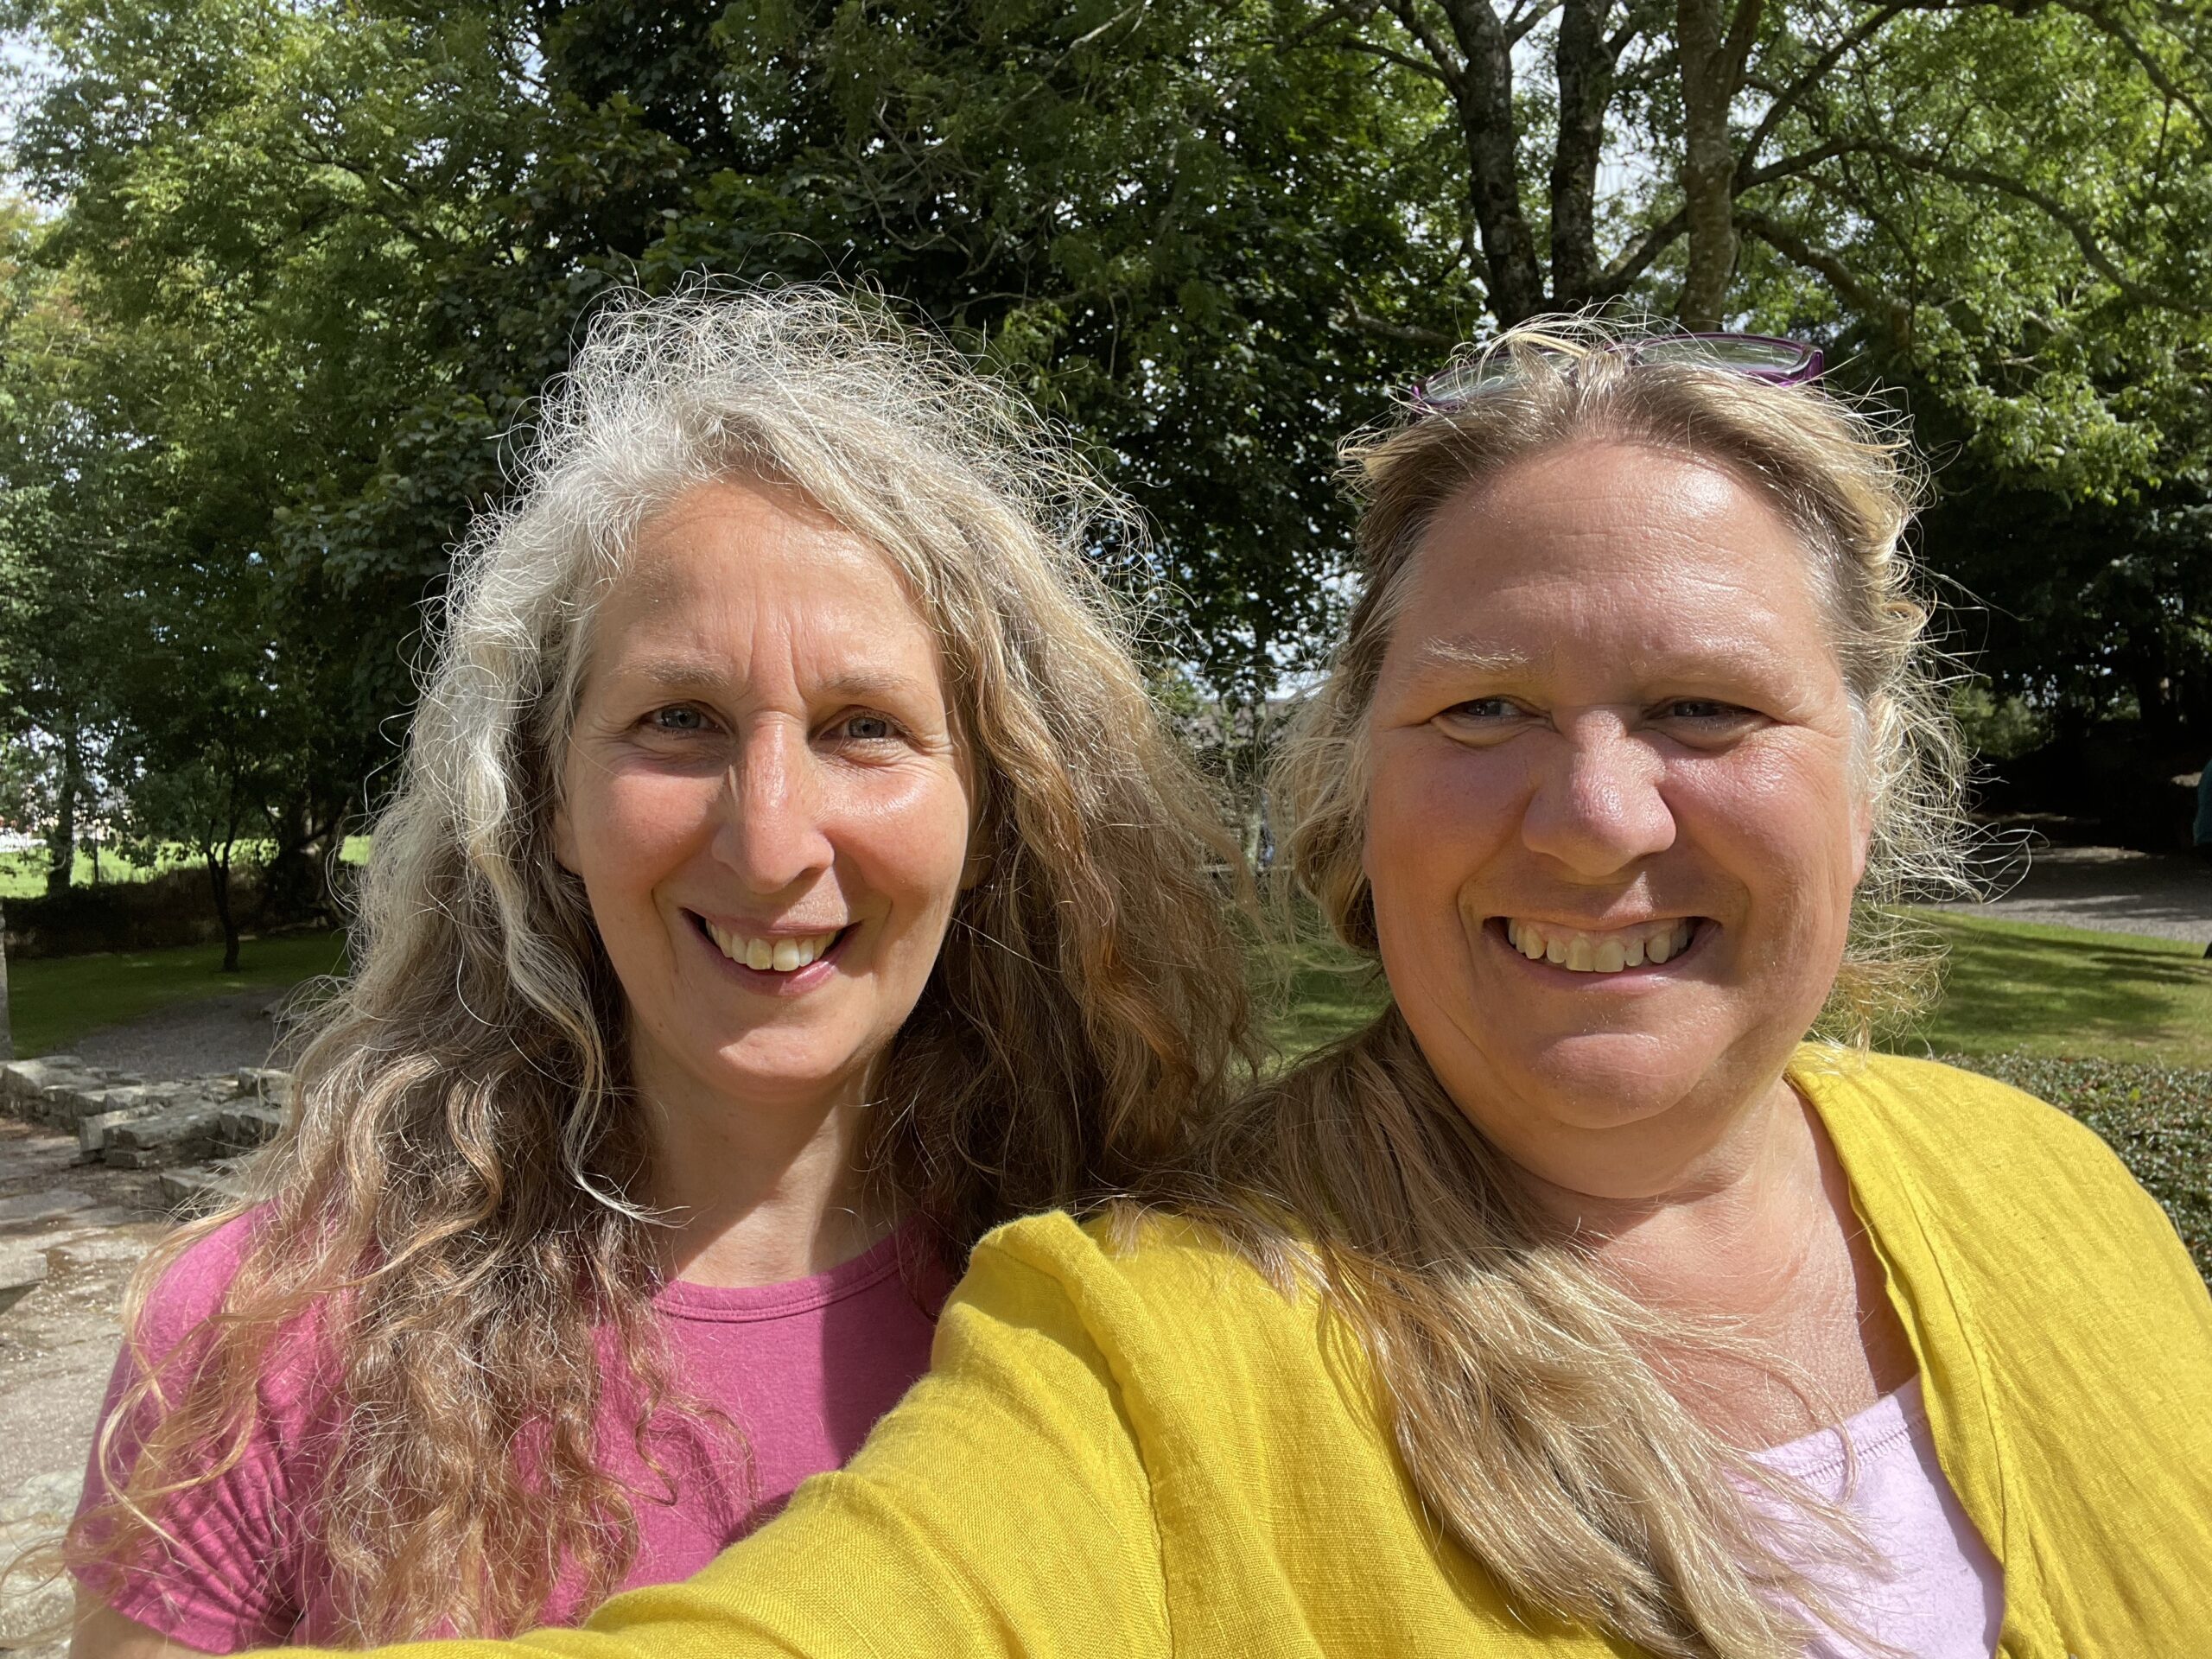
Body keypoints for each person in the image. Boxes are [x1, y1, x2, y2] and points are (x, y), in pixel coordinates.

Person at [250, 321, 2212, 1659]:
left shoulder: (2042, 1184)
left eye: (1705, 707)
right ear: (1353, 787)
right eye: (1483, 710)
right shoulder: (1150, 1345)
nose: (1596, 816)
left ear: (1868, 776)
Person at [60, 285, 1254, 1654]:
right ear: (546, 801)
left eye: (864, 727)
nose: (771, 841)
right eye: (679, 719)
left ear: (994, 813)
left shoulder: (1136, 1302)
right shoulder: (265, 1335)